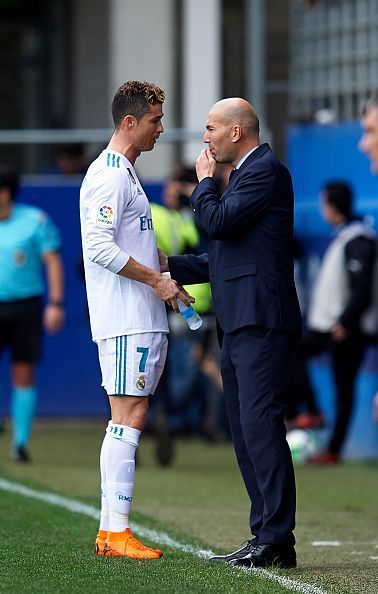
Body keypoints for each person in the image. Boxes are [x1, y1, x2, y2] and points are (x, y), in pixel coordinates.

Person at [162, 98, 302, 568]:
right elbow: (223, 256)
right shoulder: (244, 177)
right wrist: (166, 266)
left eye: (210, 128)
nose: (205, 138)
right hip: (241, 319)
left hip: (261, 319)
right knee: (245, 431)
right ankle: (265, 534)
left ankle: (277, 539)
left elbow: (216, 222)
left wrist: (202, 185)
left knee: (261, 427)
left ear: (236, 133)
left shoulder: (265, 170)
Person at [80, 80, 192, 560]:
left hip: (136, 314)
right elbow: (100, 248)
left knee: (127, 418)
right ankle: (117, 531)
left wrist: (163, 270)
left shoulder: (125, 174)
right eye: (154, 121)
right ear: (129, 122)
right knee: (130, 416)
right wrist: (154, 280)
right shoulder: (108, 175)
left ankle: (110, 532)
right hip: (127, 317)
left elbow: (126, 241)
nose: (160, 130)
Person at [289, 182, 376, 463]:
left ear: (332, 205)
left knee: (343, 386)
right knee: (299, 356)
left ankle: (330, 444)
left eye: (324, 203)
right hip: (335, 325)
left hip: (345, 328)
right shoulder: (344, 236)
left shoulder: (357, 239)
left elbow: (360, 288)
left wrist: (346, 323)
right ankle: (314, 417)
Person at [0, 170, 65, 462]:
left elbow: (52, 261)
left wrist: (56, 303)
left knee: (23, 372)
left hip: (25, 307)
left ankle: (20, 444)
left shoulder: (34, 221)